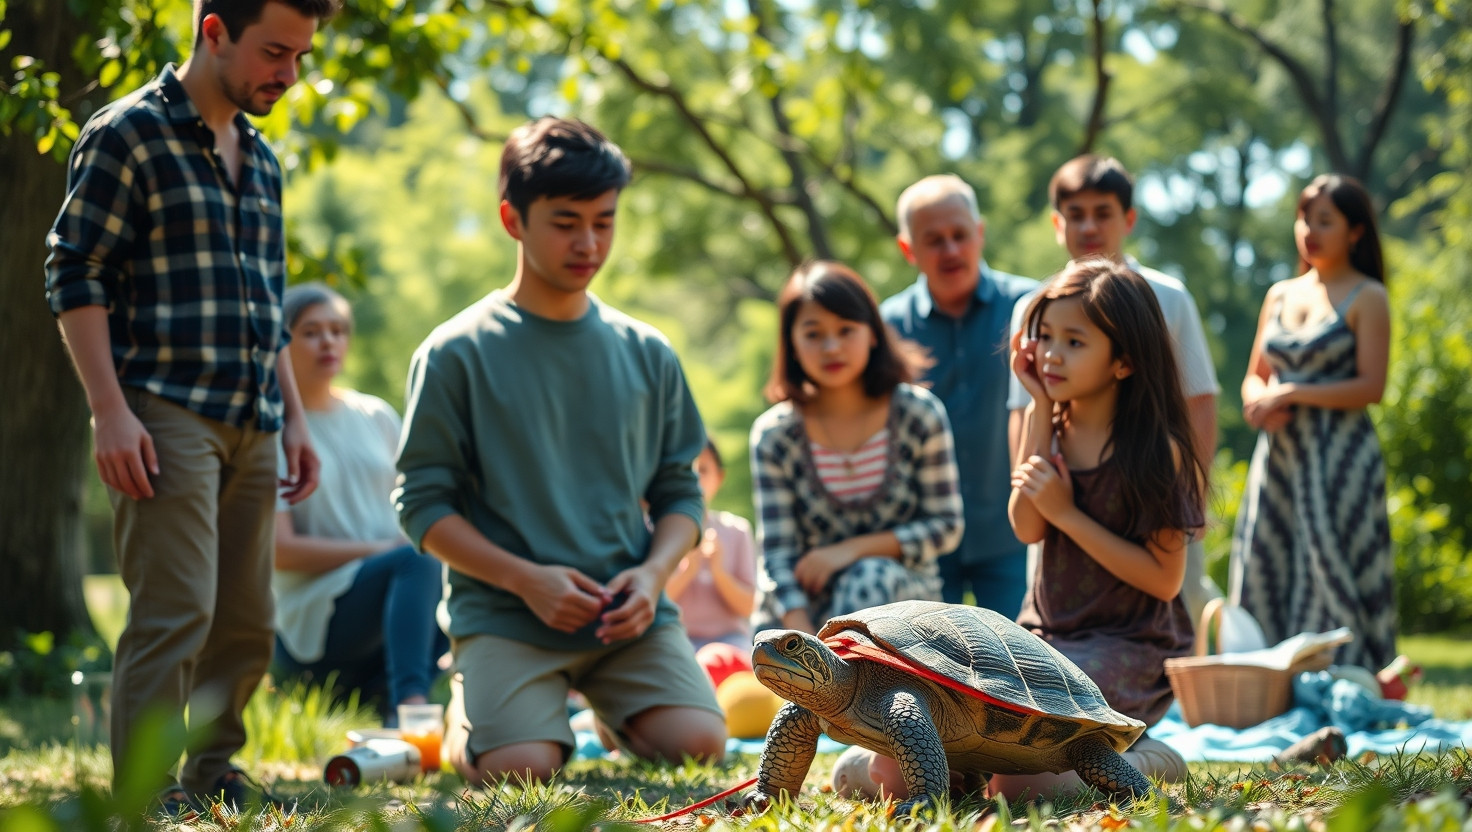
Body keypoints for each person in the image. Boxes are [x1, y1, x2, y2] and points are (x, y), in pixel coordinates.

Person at [43, 0, 336, 813]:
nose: (289, 74)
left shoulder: (264, 160)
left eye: (301, 56)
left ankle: (214, 772)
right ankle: (144, 793)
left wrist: (295, 420)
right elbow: (76, 270)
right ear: (214, 32)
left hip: (253, 418)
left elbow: (269, 305)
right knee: (176, 610)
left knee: (245, 619)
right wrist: (108, 410)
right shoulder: (128, 133)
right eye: (274, 52)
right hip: (163, 410)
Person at [394, 117, 727, 788]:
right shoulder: (454, 353)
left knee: (699, 744)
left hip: (626, 619)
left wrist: (653, 576)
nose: (589, 243)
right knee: (519, 769)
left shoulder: (648, 352)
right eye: (566, 222)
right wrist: (525, 580)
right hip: (505, 616)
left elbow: (680, 493)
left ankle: (610, 711)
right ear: (512, 220)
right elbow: (421, 506)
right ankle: (472, 712)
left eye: (604, 222)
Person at [1001, 258, 1207, 797]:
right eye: (1046, 336)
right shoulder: (1046, 422)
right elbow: (1026, 526)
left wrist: (1067, 513)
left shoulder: (1157, 451)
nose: (1051, 353)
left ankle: (1152, 759)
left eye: (1074, 342)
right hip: (1045, 636)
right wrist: (1039, 407)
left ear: (1124, 361)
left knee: (1021, 785)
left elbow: (1165, 580)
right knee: (971, 732)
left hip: (1130, 645)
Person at [1006, 155, 1222, 625]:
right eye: (1075, 214)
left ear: (1128, 219)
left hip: (1152, 495)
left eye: (1102, 213)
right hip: (1060, 508)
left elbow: (1199, 403)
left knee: (1176, 617)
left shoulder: (1169, 296)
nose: (1089, 226)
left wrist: (1192, 496)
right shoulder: (1035, 305)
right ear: (1056, 223)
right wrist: (1037, 487)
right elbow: (1021, 413)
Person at [1229, 174, 1394, 672]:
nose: (1310, 231)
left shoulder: (1368, 295)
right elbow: (1254, 377)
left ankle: (1344, 675)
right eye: (1304, 219)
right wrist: (1257, 401)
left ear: (1355, 231)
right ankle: (1263, 681)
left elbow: (1371, 387)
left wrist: (1293, 392)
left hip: (1341, 458)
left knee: (1332, 562)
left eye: (1325, 221)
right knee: (1266, 558)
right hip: (1279, 455)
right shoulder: (1279, 293)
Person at [750, 260, 964, 637]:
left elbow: (945, 526)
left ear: (873, 333)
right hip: (802, 610)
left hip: (904, 608)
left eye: (846, 330)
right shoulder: (775, 436)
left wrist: (851, 551)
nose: (831, 347)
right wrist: (804, 643)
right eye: (813, 334)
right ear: (792, 344)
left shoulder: (918, 415)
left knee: (869, 575)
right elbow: (777, 556)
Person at [271, 284, 448, 724]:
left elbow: (421, 499)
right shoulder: (275, 433)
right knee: (417, 560)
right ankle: (412, 709)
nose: (328, 342)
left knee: (457, 560)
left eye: (337, 330)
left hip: (392, 598)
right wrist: (380, 551)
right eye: (311, 332)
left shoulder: (376, 415)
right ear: (281, 344)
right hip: (316, 621)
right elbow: (280, 550)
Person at [880, 175, 1037, 616]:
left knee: (1018, 654)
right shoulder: (886, 329)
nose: (950, 250)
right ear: (908, 249)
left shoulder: (1032, 307)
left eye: (960, 235)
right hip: (922, 542)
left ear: (980, 233)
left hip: (1013, 533)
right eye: (934, 240)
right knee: (924, 656)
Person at [665, 440, 758, 651]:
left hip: (730, 641)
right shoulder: (658, 531)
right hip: (675, 640)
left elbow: (748, 607)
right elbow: (651, 603)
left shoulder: (737, 531)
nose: (695, 478)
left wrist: (719, 571)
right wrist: (688, 569)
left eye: (703, 470)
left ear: (719, 477)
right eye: (686, 469)